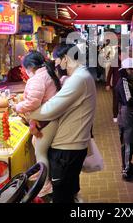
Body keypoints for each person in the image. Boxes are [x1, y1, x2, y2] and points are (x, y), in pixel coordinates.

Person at [28, 43, 96, 203]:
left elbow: (52, 107)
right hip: (72, 145)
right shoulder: (80, 76)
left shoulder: (79, 78)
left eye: (57, 60)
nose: (56, 64)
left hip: (67, 148)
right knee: (68, 193)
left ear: (65, 59)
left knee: (61, 196)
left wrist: (29, 113)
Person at [13, 51, 62, 198]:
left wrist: (17, 107)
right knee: (39, 147)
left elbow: (33, 102)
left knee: (40, 152)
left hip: (45, 121)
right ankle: (42, 175)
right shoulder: (48, 73)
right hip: (50, 119)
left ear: (30, 67)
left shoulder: (37, 79)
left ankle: (45, 185)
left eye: (25, 69)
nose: (25, 72)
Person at [106, 54, 121, 123]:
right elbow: (109, 74)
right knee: (115, 101)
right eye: (121, 55)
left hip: (124, 85)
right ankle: (115, 116)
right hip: (116, 86)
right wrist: (108, 84)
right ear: (119, 55)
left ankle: (121, 114)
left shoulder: (126, 62)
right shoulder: (114, 63)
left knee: (123, 101)